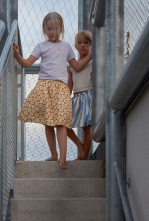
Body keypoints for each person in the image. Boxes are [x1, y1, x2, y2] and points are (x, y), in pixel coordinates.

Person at [12, 12, 91, 170]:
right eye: (49, 28)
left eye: (56, 28)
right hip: (44, 86)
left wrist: (90, 56)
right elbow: (27, 63)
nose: (52, 32)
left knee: (61, 123)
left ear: (61, 28)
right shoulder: (42, 46)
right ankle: (53, 154)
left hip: (61, 88)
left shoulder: (67, 46)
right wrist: (17, 55)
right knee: (47, 123)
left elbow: (76, 67)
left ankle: (63, 156)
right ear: (44, 29)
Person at [66, 30, 93, 160]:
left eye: (86, 42)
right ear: (75, 46)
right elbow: (69, 85)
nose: (83, 45)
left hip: (89, 95)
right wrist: (66, 98)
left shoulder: (94, 63)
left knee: (87, 127)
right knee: (62, 123)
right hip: (76, 97)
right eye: (80, 43)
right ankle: (79, 143)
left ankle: (85, 156)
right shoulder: (72, 66)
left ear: (91, 45)